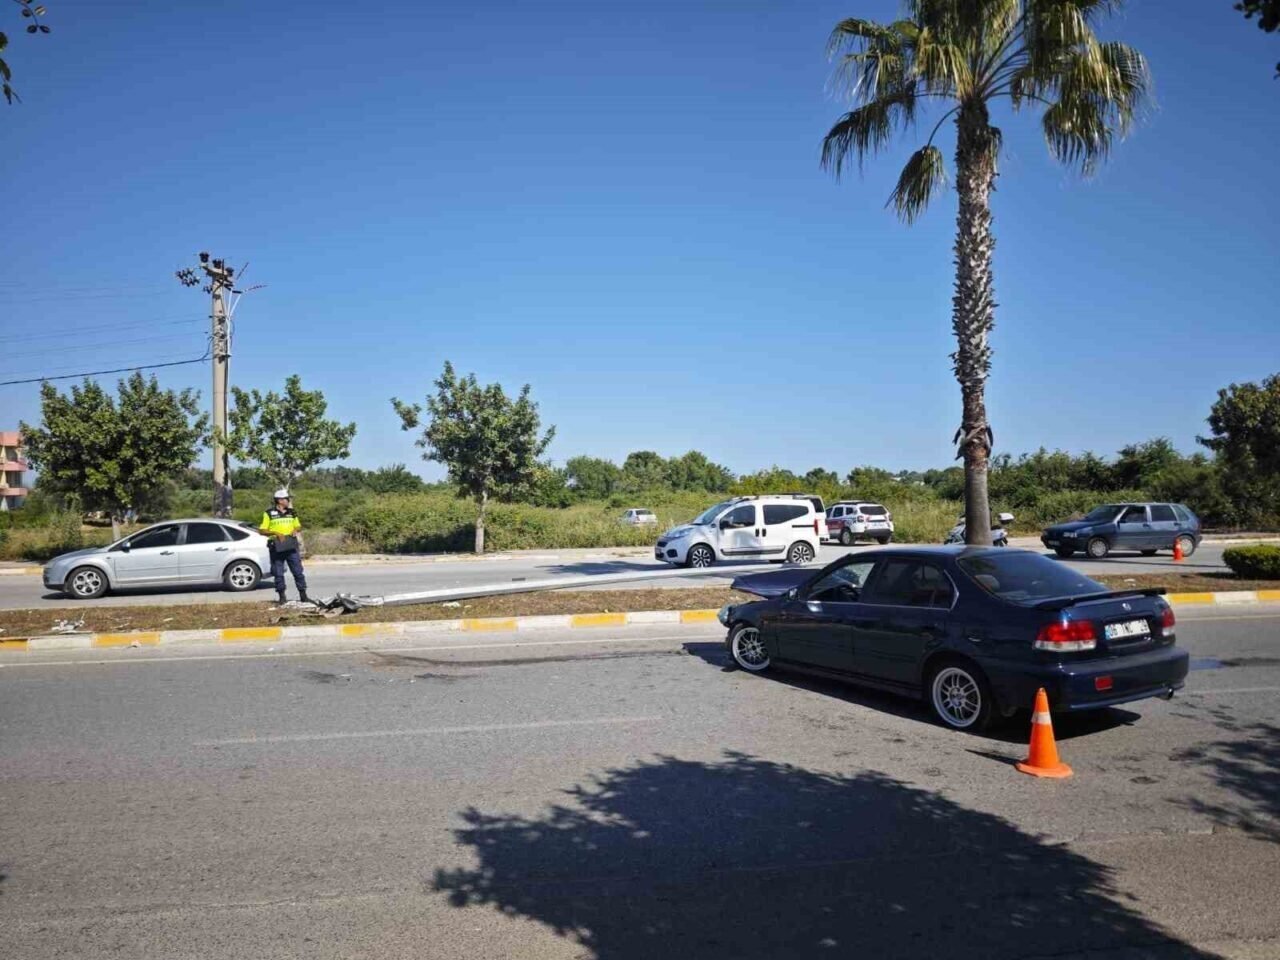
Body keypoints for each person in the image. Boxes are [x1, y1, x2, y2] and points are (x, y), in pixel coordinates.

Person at [259, 488, 310, 604]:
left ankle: (303, 596)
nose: (288, 501)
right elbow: (262, 530)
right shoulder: (268, 513)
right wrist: (276, 533)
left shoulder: (292, 512)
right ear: (280, 500)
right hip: (276, 545)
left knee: (298, 571)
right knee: (278, 573)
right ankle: (282, 597)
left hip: (291, 544)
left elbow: (298, 526)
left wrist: (295, 529)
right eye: (286, 499)